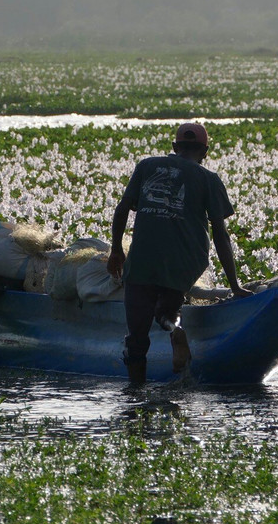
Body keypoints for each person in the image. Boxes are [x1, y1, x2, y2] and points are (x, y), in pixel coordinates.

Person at [107, 122, 251, 383]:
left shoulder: (147, 166)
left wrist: (116, 249)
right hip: (185, 260)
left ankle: (135, 399)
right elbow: (220, 234)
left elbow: (123, 208)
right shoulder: (209, 179)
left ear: (174, 147)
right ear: (205, 152)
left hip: (143, 257)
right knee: (167, 311)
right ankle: (175, 327)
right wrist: (235, 285)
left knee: (136, 339)